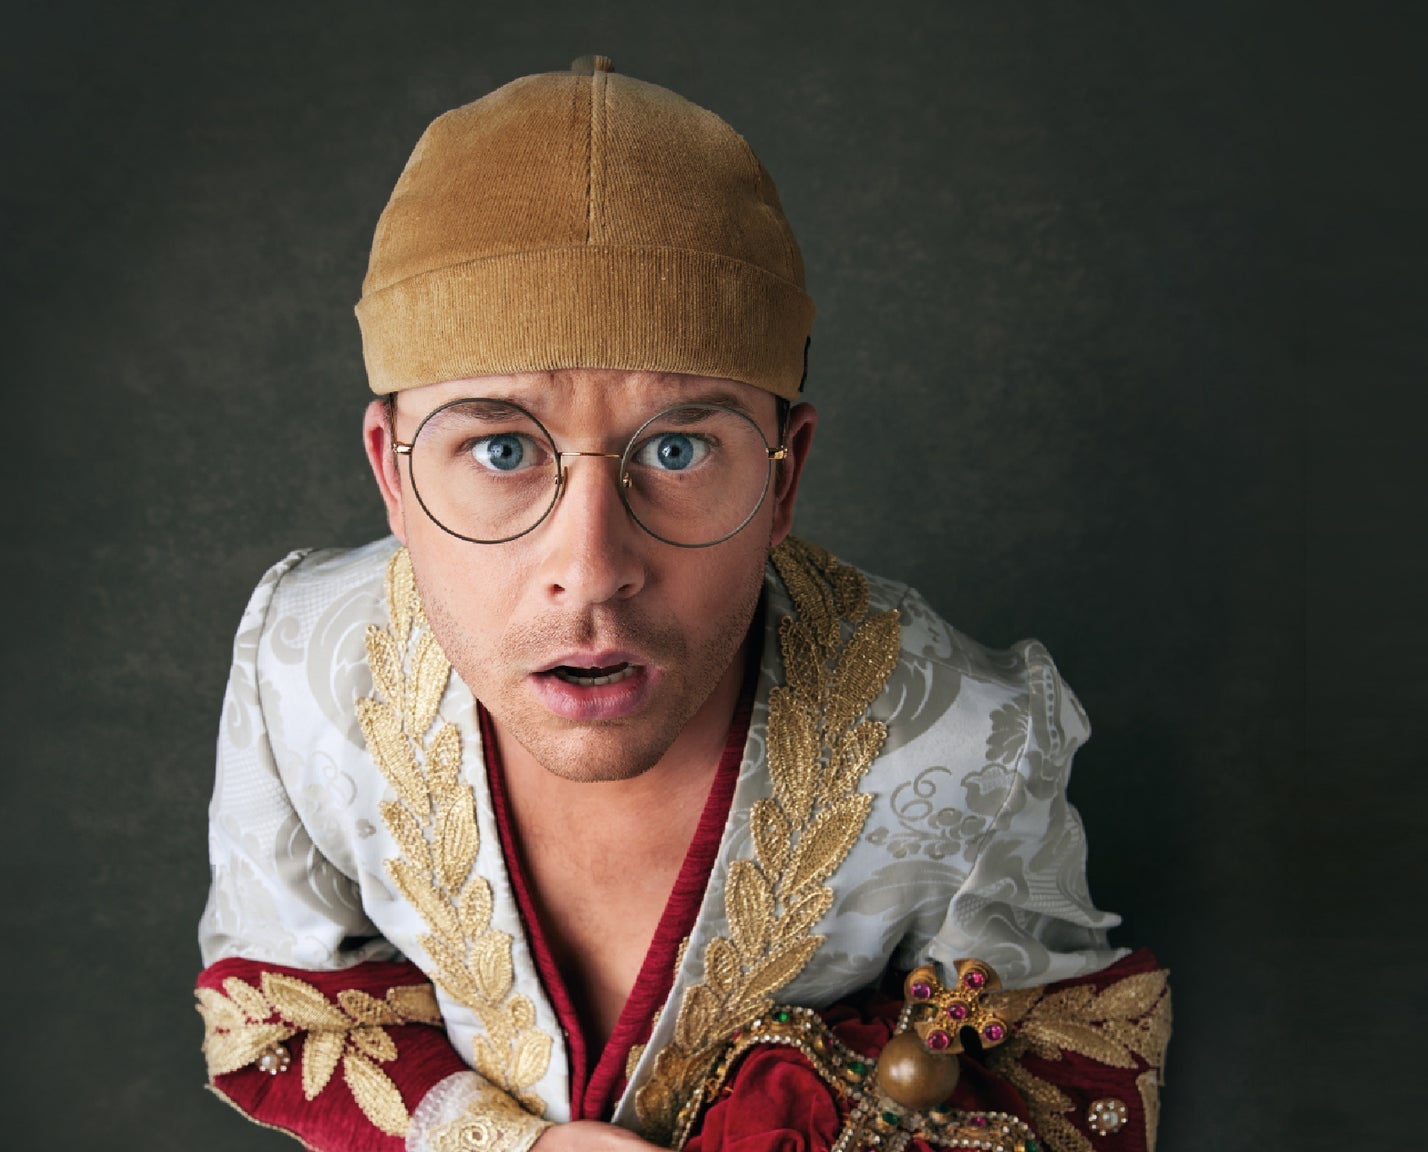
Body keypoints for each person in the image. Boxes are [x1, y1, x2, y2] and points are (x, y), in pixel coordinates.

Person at [192, 56, 1171, 1152]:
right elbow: (274, 1007)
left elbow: (1075, 1075)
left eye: (676, 450)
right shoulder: (302, 660)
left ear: (782, 481)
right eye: (502, 449)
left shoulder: (970, 740)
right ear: (393, 474)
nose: (591, 566)